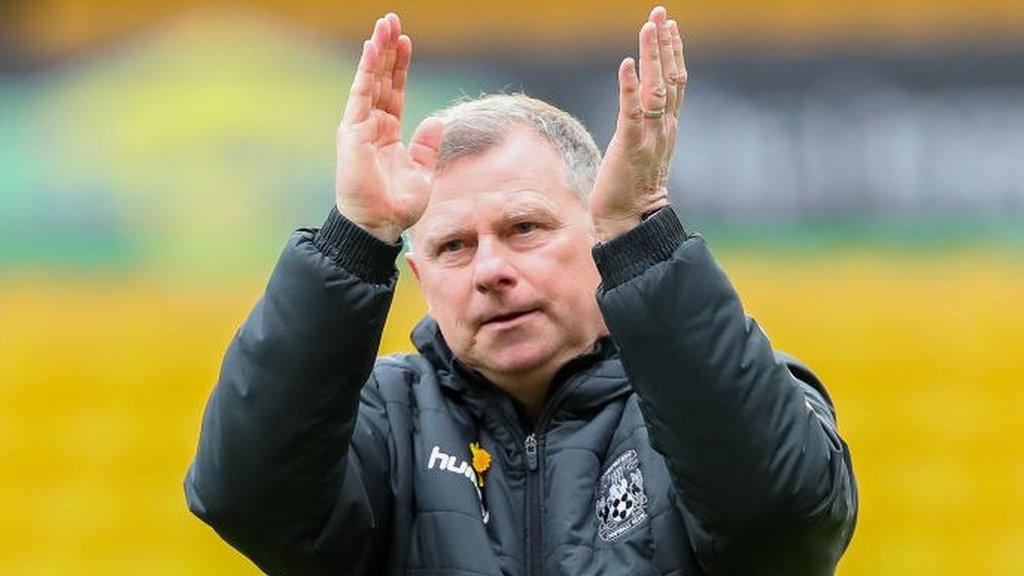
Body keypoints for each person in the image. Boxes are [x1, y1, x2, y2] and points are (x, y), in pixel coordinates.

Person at [184, 6, 857, 575]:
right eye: (453, 246)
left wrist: (643, 237)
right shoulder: (382, 421)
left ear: (601, 242)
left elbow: (785, 525)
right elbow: (248, 497)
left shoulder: (714, 394)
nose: (489, 270)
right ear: (420, 279)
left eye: (524, 228)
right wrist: (357, 235)